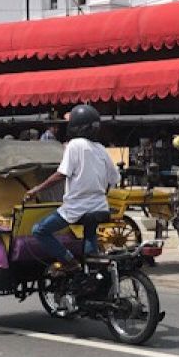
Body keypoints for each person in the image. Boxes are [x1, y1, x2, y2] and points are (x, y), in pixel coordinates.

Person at [24, 104, 121, 274]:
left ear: (75, 126)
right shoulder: (101, 149)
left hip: (76, 207)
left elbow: (61, 174)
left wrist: (36, 189)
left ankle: (70, 262)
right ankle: (93, 274)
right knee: (90, 235)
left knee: (39, 230)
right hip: (100, 207)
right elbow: (114, 179)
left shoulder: (75, 145)